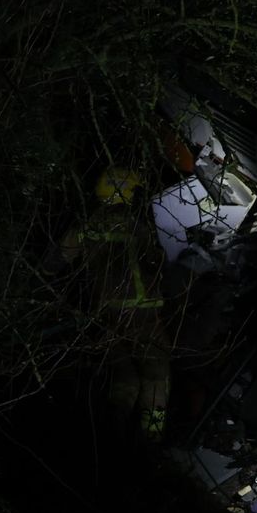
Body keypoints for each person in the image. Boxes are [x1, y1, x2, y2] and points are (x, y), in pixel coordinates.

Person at [48, 167, 173, 440]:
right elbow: (157, 262)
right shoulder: (138, 226)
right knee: (155, 379)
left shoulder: (86, 225)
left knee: (123, 378)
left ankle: (113, 438)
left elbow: (54, 262)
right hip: (146, 316)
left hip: (109, 315)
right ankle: (150, 442)